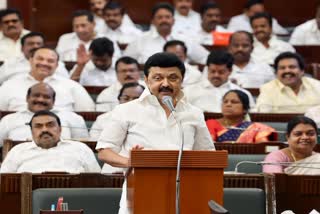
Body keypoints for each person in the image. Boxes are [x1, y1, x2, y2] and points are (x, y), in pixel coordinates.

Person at [96, 52, 214, 213]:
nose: (165, 83)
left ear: (182, 80)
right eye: (158, 78)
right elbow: (104, 151)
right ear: (146, 80)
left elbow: (207, 154)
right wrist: (129, 162)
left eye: (173, 78)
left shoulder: (193, 113)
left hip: (184, 193)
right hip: (139, 192)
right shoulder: (126, 110)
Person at [0, 110, 101, 173]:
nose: (44, 130)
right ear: (31, 131)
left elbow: (97, 181)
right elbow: (3, 182)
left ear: (60, 129)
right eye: (38, 126)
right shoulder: (17, 151)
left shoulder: (81, 148)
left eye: (50, 125)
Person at [0, 47, 95, 111]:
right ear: (30, 60)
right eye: (40, 59)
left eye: (50, 61)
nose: (44, 63)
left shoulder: (72, 86)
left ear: (57, 65)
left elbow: (87, 113)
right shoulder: (10, 85)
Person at [0, 83, 89, 146]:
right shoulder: (9, 120)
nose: (40, 100)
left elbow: (82, 146)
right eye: (36, 95)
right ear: (27, 98)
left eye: (46, 97)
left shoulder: (73, 118)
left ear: (53, 101)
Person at [124, 2, 209, 64]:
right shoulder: (140, 41)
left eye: (167, 17)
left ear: (173, 20)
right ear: (153, 21)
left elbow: (206, 58)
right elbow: (125, 62)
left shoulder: (184, 40)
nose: (164, 20)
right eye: (160, 17)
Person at [183, 50, 255, 112]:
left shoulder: (244, 94)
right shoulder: (189, 92)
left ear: (230, 71)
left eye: (221, 72)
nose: (216, 75)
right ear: (207, 69)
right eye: (212, 71)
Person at [206, 90, 275, 143]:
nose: (228, 104)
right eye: (225, 101)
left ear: (245, 109)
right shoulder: (211, 124)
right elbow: (207, 147)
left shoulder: (256, 128)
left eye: (234, 102)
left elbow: (262, 149)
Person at [0, 32, 69, 85]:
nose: (35, 46)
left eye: (39, 44)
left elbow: (67, 83)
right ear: (22, 48)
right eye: (31, 44)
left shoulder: (56, 64)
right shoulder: (9, 64)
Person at [56, 10, 120, 63]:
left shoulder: (107, 39)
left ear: (93, 24)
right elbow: (57, 61)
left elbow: (116, 60)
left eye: (83, 25)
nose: (80, 30)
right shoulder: (65, 39)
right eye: (76, 26)